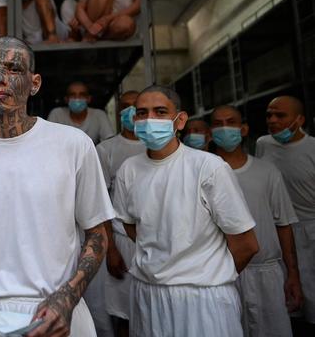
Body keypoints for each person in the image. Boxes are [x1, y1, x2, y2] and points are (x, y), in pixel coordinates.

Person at [0, 36, 114, 336]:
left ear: (35, 83)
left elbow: (97, 235)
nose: (0, 78)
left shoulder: (73, 145)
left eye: (14, 69)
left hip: (55, 314)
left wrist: (67, 298)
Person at [112, 85, 259, 337]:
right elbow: (132, 227)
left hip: (203, 298)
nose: (150, 120)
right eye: (142, 113)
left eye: (160, 112)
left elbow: (246, 244)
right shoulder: (129, 169)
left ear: (179, 120)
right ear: (134, 120)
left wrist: (206, 273)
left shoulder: (208, 167)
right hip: (148, 295)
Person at [211, 104, 302, 336]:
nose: (224, 129)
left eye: (230, 122)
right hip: (220, 276)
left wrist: (292, 274)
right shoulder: (202, 172)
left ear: (243, 129)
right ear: (211, 132)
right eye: (218, 124)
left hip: (267, 273)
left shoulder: (267, 171)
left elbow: (283, 225)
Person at [256, 95, 315, 328]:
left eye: (280, 115)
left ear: (299, 119)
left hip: (310, 231)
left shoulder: (312, 148)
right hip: (277, 231)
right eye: (269, 115)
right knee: (285, 300)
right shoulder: (263, 144)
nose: (272, 120)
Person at [95, 91, 145, 337]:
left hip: (157, 242)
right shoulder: (106, 150)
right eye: (126, 107)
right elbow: (101, 204)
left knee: (155, 310)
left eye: (137, 107)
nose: (132, 111)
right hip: (122, 242)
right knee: (124, 315)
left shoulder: (160, 146)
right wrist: (111, 250)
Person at [48, 81, 114, 144]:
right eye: (73, 95)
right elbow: (48, 141)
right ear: (66, 99)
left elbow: (109, 142)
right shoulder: (56, 114)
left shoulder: (99, 115)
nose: (77, 98)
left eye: (82, 95)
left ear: (88, 99)